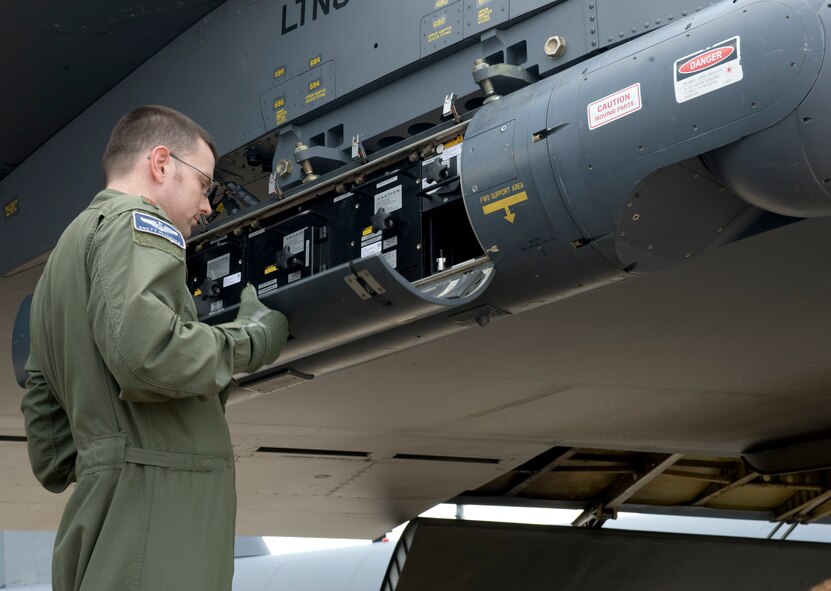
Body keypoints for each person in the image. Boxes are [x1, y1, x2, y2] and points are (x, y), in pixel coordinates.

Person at [20, 105, 288, 591]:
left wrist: (106, 452)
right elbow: (146, 356)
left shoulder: (61, 261)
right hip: (160, 520)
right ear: (161, 164)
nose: (207, 206)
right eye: (205, 185)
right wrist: (250, 341)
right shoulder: (137, 224)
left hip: (99, 530)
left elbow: (50, 449)